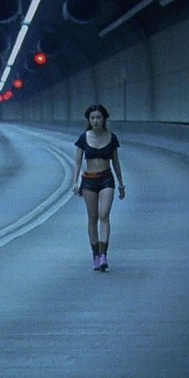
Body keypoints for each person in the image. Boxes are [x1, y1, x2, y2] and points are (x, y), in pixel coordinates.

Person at [73, 104, 125, 271]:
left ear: (104, 119)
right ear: (89, 120)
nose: (95, 121)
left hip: (106, 179)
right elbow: (77, 162)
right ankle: (95, 254)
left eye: (99, 118)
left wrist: (121, 184)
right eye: (92, 118)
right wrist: (75, 182)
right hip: (89, 181)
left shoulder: (112, 138)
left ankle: (104, 255)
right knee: (93, 217)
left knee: (104, 215)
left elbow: (116, 163)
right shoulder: (84, 138)